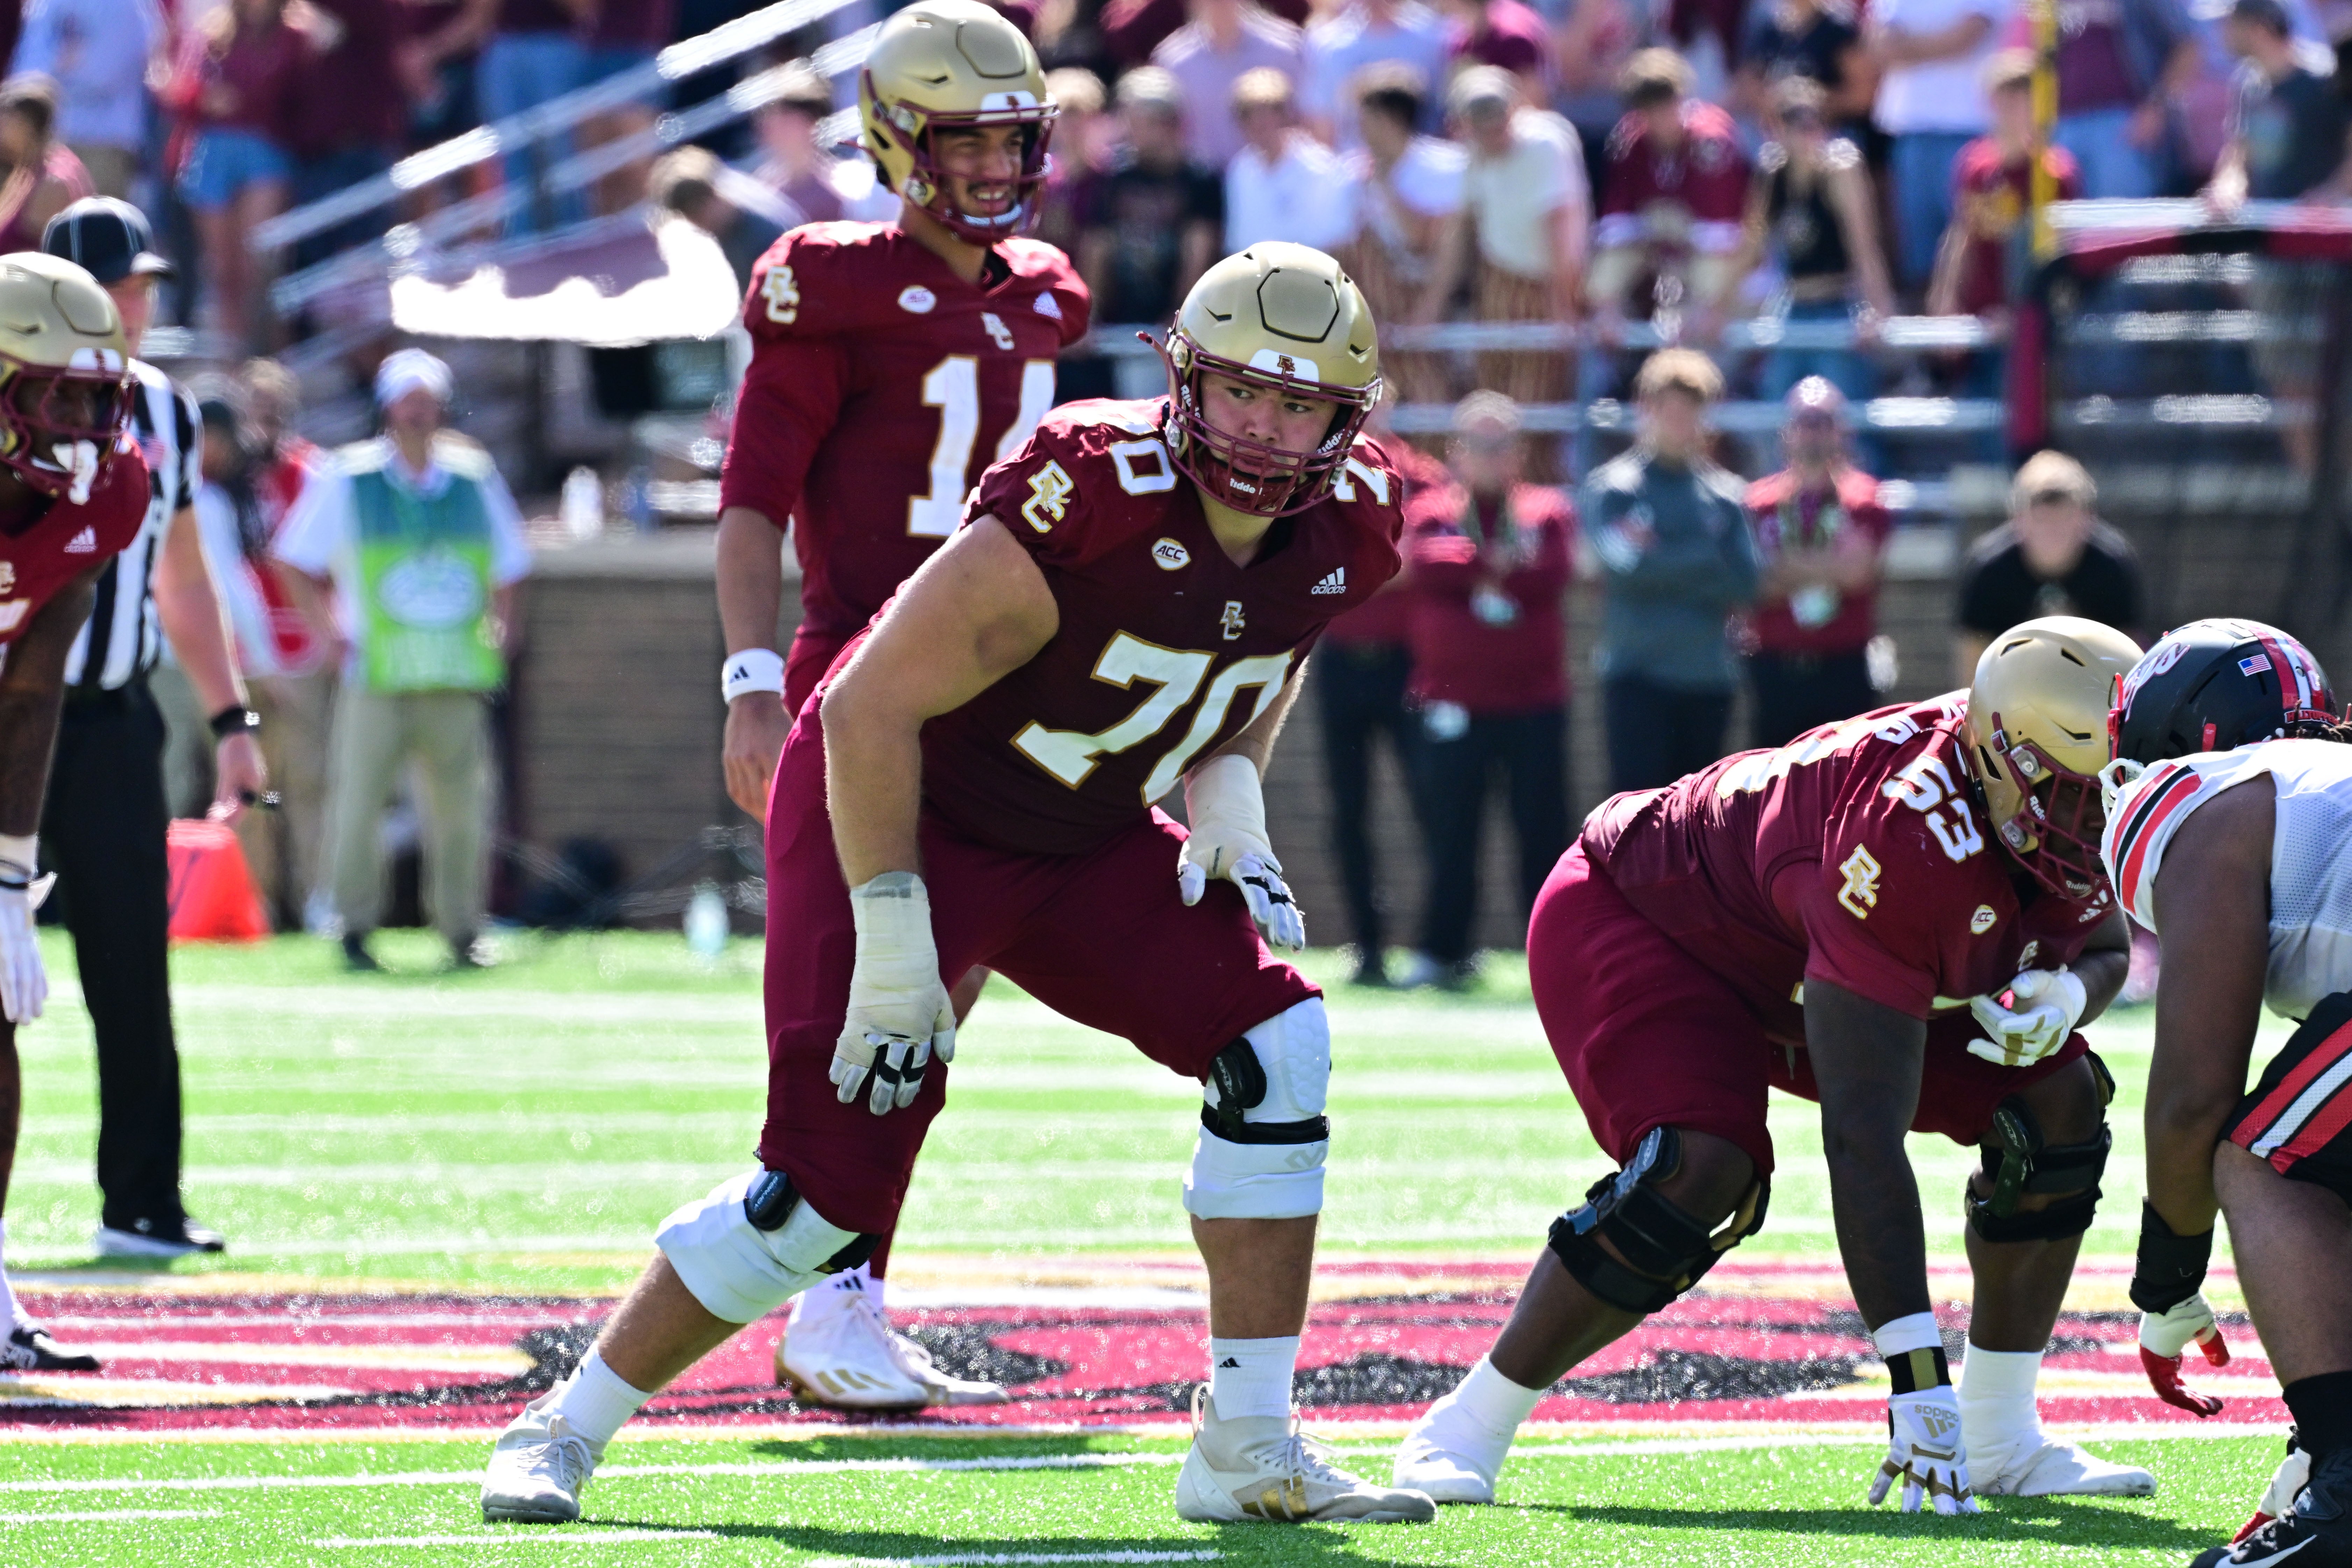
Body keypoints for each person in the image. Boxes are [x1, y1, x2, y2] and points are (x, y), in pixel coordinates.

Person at [478, 240, 1438, 1531]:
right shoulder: (1089, 485)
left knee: (1281, 1046)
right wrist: (890, 928)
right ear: (1184, 385)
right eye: (1241, 394)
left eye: (1299, 404)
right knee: (824, 1190)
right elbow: (869, 706)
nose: (1265, 432)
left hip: (1081, 831)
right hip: (903, 805)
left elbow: (1256, 657)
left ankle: (1248, 1439)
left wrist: (1230, 789)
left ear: (1346, 419)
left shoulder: (1351, 526)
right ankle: (566, 1420)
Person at [1396, 616, 2153, 1510]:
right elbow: (1860, 1136)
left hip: (1809, 950)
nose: (2093, 819)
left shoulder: (2041, 785)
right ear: (2000, 757)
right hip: (1650, 922)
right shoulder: (1902, 828)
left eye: (2105, 794)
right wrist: (1913, 1380)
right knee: (1699, 1169)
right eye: (2072, 795)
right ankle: (1468, 1421)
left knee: (2056, 1102)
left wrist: (2067, 996)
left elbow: (2100, 939)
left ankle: (1998, 1432)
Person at [710, 0, 1090, 1414]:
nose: (995, 164)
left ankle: (844, 1288)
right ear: (893, 139)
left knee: (938, 1000)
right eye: (965, 137)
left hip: (997, 688)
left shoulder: (1048, 287)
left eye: (1013, 135)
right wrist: (754, 683)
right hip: (856, 680)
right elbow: (750, 509)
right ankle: (811, 1286)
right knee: (845, 998)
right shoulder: (828, 280)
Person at [2099, 618, 2352, 1567]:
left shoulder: (2208, 797)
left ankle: (2342, 1483)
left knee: (2261, 1156)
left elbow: (2193, 1093)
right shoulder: (2315, 787)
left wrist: (2164, 1278)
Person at [41, 197, 263, 1260]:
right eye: (119, 285)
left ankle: (142, 1200)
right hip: (7, 714)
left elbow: (182, 578)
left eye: (140, 288)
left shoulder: (167, 411)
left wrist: (231, 716)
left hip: (112, 721)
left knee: (132, 964)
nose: (136, 305)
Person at [0, 252, 153, 1370]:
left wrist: (9, 877)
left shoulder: (110, 493)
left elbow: (33, 679)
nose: (78, 425)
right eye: (53, 393)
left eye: (97, 396)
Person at [273, 348, 526, 973]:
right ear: (388, 407)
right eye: (408, 400)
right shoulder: (348, 476)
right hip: (377, 670)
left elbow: (512, 564)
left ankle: (463, 927)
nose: (418, 412)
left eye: (427, 400)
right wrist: (327, 634)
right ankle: (354, 924)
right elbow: (293, 559)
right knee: (356, 803)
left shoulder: (472, 474)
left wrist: (504, 631)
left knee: (463, 808)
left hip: (454, 669)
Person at [1396, 392, 1572, 992]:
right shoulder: (1429, 508)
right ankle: (1442, 952)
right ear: (1456, 452)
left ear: (1519, 452)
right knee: (1451, 834)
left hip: (1533, 703)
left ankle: (1555, 956)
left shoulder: (1543, 509)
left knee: (1542, 836)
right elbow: (1422, 561)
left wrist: (1475, 564)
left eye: (1501, 445)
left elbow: (1549, 569)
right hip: (1455, 704)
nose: (1490, 457)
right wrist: (1493, 562)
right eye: (1479, 445)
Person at [1586, 350, 1758, 795]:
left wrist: (1663, 557)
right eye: (1669, 408)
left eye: (1690, 410)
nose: (1680, 421)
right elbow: (1624, 571)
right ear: (1646, 409)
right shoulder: (1616, 490)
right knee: (1636, 824)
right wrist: (1705, 559)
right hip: (1637, 680)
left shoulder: (1726, 496)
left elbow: (1747, 581)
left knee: (1701, 828)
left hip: (1708, 681)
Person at [1314, 418, 1445, 988]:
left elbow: (1410, 559)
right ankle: (1367, 944)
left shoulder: (1418, 476)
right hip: (1340, 659)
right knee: (1348, 810)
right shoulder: (1315, 468)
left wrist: (1350, 562)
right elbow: (1312, 560)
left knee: (1433, 804)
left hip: (1404, 662)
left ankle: (1438, 943)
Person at [1420, 66, 1587, 478]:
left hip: (1543, 290)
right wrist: (1431, 306)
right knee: (1491, 407)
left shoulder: (1547, 142)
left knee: (1532, 422)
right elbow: (1460, 231)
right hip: (1496, 287)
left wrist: (1561, 307)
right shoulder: (1473, 154)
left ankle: (1537, 521)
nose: (1493, 133)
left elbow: (1560, 229)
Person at [1704, 73, 1894, 407]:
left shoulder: (1840, 170)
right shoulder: (1772, 172)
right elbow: (1752, 245)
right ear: (1777, 129)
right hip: (1792, 305)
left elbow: (1864, 246)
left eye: (1815, 122)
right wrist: (1717, 308)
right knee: (1776, 409)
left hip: (1838, 304)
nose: (1810, 133)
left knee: (1841, 414)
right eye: (1796, 123)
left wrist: (1877, 310)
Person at [234, 358, 334, 934]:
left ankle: (317, 900)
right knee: (252, 789)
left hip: (299, 653)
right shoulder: (224, 479)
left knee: (308, 780)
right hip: (241, 658)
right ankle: (255, 904)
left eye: (273, 411)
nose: (263, 423)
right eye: (255, 410)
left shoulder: (312, 472)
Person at [1926, 50, 2083, 409]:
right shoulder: (1974, 166)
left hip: (2030, 325)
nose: (2011, 108)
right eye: (2004, 97)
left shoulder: (2055, 175)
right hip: (1979, 321)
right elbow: (1961, 234)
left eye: (2021, 97)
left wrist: (2021, 314)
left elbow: (2063, 257)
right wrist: (1945, 300)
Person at [1743, 377, 1890, 748]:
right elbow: (1755, 584)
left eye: (1823, 422)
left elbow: (1859, 575)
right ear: (1786, 432)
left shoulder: (1865, 500)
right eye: (1804, 423)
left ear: (1841, 431)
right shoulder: (1758, 503)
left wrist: (1786, 568)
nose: (1813, 434)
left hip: (1844, 666)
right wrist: (1830, 568)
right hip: (1775, 667)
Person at [164, 0, 304, 347]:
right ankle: (234, 364)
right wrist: (204, 99)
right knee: (225, 273)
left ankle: (271, 356)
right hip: (213, 151)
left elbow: (305, 95)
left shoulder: (296, 35)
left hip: (267, 148)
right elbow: (180, 88)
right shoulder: (214, 33)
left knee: (258, 264)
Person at [1586, 50, 1747, 343]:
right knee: (1609, 263)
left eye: (1666, 103)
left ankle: (1700, 331)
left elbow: (1721, 234)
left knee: (1708, 274)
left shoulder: (1711, 142)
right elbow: (1618, 222)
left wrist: (1704, 309)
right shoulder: (1631, 142)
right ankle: (1606, 325)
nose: (1660, 116)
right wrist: (1607, 302)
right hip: (1662, 247)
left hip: (1723, 258)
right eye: (1650, 108)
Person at [1955, 450, 2143, 683]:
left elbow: (2128, 662)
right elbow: (1972, 667)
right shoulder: (1989, 572)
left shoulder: (2112, 568)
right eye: (2042, 519)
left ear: (2087, 518)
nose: (2053, 531)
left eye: (2064, 518)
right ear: (2018, 519)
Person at [1336, 66, 1462, 411]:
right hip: (1381, 315)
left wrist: (1386, 183)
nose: (1358, 126)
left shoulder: (1444, 166)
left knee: (1432, 406)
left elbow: (1429, 241)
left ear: (1386, 118)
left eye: (1364, 115)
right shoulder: (1353, 172)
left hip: (1437, 305)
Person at [1077, 67, 1221, 358]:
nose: (1128, 131)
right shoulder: (1115, 177)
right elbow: (1098, 247)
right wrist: (1088, 315)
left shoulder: (1200, 180)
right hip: (1117, 324)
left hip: (1170, 324)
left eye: (1137, 123)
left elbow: (1198, 252)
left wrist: (1179, 315)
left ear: (1167, 125)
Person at [1868, 0, 2007, 294]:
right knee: (1919, 262)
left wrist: (1907, 48)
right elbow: (1877, 45)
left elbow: (1966, 38)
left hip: (1973, 135)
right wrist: (1936, 45)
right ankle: (1927, 337)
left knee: (1976, 257)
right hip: (1912, 136)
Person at [2043, 0, 2197, 202]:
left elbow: (2188, 46)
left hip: (2123, 123)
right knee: (2064, 225)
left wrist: (2157, 107)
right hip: (2063, 125)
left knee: (2120, 224)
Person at [11, 0, 165, 199]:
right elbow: (26, 70)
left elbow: (108, 72)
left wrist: (58, 69)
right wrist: (60, 64)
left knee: (98, 226)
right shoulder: (47, 3)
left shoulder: (129, 5)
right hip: (46, 140)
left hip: (105, 141)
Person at [1152, 0, 1304, 172]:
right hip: (1208, 185)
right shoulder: (1174, 62)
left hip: (1274, 180)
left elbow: (1307, 120)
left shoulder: (1283, 50)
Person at [1223, 67, 1353, 254]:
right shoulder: (1240, 170)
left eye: (1267, 112)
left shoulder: (1320, 167)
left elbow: (1335, 240)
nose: (1257, 122)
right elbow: (1238, 243)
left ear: (1285, 115)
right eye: (1247, 114)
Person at [1301, 0, 1452, 148]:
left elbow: (1438, 114)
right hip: (1353, 161)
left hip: (1418, 157)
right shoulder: (1332, 47)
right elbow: (1323, 120)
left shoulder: (1431, 41)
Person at [0, 76, 92, 254]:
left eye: (5, 123)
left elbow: (41, 255)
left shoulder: (53, 183)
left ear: (28, 127)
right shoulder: (29, 169)